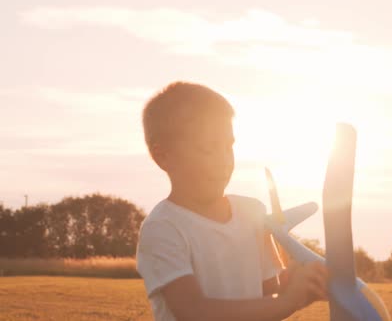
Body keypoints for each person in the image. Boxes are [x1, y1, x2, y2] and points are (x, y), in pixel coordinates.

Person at [136, 81, 329, 321]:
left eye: (228, 147)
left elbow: (268, 298)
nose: (224, 160)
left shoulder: (252, 213)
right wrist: (287, 301)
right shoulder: (163, 228)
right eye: (208, 149)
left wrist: (297, 291)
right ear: (163, 156)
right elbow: (193, 312)